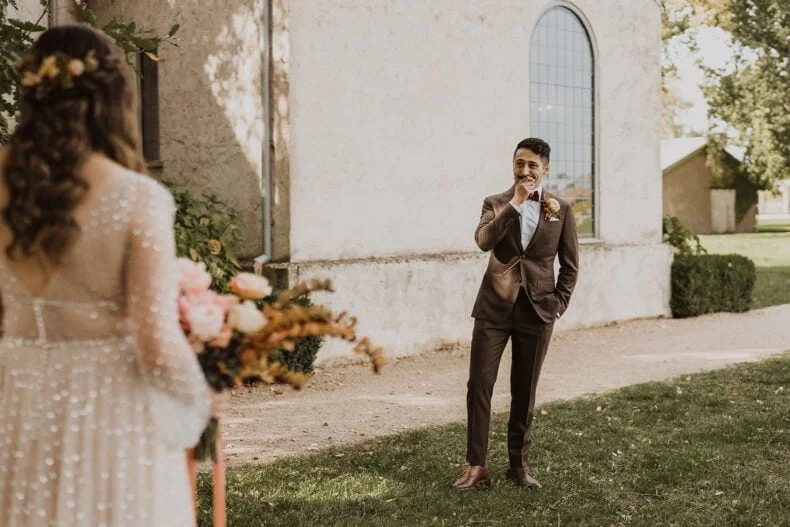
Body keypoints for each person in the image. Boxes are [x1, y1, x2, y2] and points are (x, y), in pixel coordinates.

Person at [0, 25, 213, 525]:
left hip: (15, 392)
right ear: (114, 98)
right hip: (108, 406)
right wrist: (201, 398)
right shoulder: (137, 197)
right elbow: (155, 339)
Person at [453, 137, 579, 490]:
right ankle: (477, 466)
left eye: (532, 165)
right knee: (479, 385)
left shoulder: (562, 210)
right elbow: (484, 241)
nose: (525, 170)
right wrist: (516, 203)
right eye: (519, 163)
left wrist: (557, 305)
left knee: (525, 390)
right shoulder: (495, 203)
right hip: (493, 310)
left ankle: (518, 465)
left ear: (545, 169)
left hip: (537, 312)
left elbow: (570, 265)